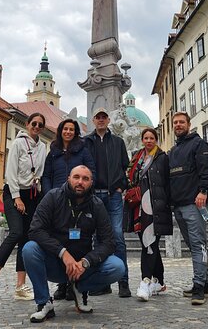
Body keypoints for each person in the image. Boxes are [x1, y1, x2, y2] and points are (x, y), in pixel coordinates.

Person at [22, 165, 125, 322]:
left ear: (91, 182)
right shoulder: (53, 197)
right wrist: (63, 253)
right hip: (55, 263)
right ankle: (44, 303)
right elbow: (35, 230)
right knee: (29, 249)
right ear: (68, 178)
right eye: (76, 177)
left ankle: (78, 288)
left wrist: (86, 262)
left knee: (117, 267)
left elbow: (108, 242)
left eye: (85, 179)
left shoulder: (97, 205)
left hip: (82, 268)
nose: (80, 182)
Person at [0, 112, 47, 310]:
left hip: (32, 195)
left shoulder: (42, 147)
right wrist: (16, 197)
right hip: (13, 192)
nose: (36, 127)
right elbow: (10, 172)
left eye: (40, 124)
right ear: (27, 125)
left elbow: (40, 172)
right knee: (16, 232)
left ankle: (20, 286)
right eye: (33, 123)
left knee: (26, 238)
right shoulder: (18, 143)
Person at [41, 118, 97, 301]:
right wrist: (50, 194)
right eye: (65, 129)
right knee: (59, 237)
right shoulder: (54, 151)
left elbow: (91, 171)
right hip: (57, 198)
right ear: (60, 130)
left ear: (76, 132)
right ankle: (62, 283)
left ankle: (77, 284)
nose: (68, 132)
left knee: (78, 239)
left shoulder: (82, 149)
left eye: (71, 129)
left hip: (77, 198)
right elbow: (46, 175)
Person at [168, 112, 208, 305]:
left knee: (198, 245)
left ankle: (198, 287)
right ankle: (206, 285)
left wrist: (203, 191)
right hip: (178, 205)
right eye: (175, 123)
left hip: (194, 204)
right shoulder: (173, 150)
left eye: (181, 122)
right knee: (194, 246)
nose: (178, 125)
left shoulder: (199, 144)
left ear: (189, 124)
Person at [84, 107, 131, 297]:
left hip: (113, 195)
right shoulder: (86, 142)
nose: (101, 120)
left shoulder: (118, 142)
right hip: (94, 196)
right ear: (94, 120)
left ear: (108, 120)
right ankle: (102, 282)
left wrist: (121, 186)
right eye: (98, 117)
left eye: (104, 117)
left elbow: (124, 165)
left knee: (117, 236)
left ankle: (123, 281)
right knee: (97, 238)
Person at [124, 128, 172, 301]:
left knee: (149, 243)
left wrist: (167, 205)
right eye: (146, 138)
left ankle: (145, 281)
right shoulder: (136, 157)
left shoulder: (162, 158)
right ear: (142, 139)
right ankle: (159, 282)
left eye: (152, 138)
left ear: (156, 140)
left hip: (156, 207)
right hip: (138, 206)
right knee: (149, 244)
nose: (149, 140)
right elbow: (129, 178)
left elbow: (167, 183)